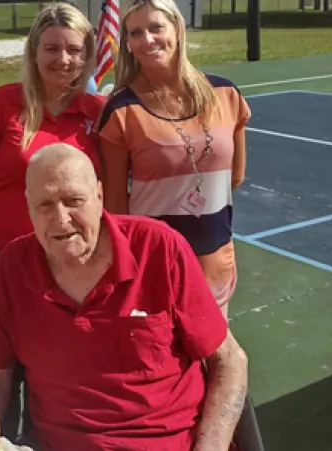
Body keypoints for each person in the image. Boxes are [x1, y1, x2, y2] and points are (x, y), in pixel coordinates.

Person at [0, 143, 249, 451]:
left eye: (73, 200)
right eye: (45, 205)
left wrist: (211, 447)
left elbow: (229, 361)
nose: (61, 219)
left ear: (100, 197)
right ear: (28, 208)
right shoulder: (12, 268)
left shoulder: (159, 248)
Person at [0, 1, 104, 440]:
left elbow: (105, 199)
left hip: (66, 279)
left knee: (52, 391)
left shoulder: (96, 114)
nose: (64, 60)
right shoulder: (3, 105)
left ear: (88, 54)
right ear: (34, 52)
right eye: (52, 48)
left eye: (75, 50)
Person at [95, 0, 252, 317]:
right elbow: (115, 206)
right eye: (136, 32)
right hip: (155, 267)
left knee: (216, 361)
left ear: (177, 30)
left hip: (215, 263)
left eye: (156, 28)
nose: (148, 39)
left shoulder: (226, 94)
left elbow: (234, 177)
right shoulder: (121, 111)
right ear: (127, 43)